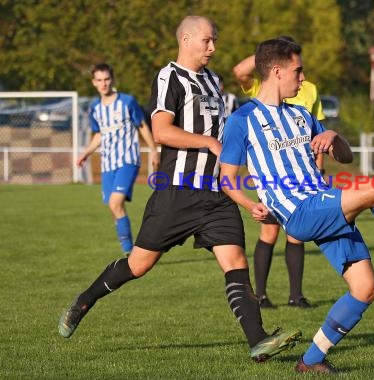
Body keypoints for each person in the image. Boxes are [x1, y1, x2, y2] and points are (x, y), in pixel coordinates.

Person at [59, 16, 301, 363]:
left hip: (216, 195)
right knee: (139, 265)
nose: (213, 47)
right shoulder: (169, 76)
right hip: (177, 192)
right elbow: (161, 131)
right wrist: (208, 143)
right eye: (207, 41)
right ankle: (84, 300)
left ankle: (258, 341)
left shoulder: (214, 80)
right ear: (186, 39)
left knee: (235, 263)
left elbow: (234, 116)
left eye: (214, 40)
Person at [219, 38, 374, 374]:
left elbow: (345, 157)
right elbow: (226, 178)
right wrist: (249, 204)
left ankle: (311, 360)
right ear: (277, 71)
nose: (302, 78)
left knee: (365, 289)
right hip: (299, 212)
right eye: (297, 70)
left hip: (322, 203)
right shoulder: (241, 120)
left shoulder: (302, 115)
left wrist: (334, 136)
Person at [232, 36, 326, 308]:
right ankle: (260, 295)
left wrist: (319, 169)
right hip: (273, 176)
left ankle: (295, 295)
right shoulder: (263, 89)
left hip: (304, 173)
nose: (299, 76)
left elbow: (317, 131)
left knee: (296, 234)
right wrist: (268, 52)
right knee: (269, 233)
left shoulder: (309, 90)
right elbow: (240, 72)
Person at [77, 63, 159, 256]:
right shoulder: (95, 108)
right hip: (108, 164)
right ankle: (130, 250)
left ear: (112, 80)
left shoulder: (127, 102)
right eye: (99, 80)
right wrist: (86, 152)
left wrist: (154, 150)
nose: (103, 83)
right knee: (114, 208)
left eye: (106, 79)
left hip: (128, 160)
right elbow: (99, 135)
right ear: (93, 82)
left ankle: (129, 252)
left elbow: (142, 127)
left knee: (115, 203)